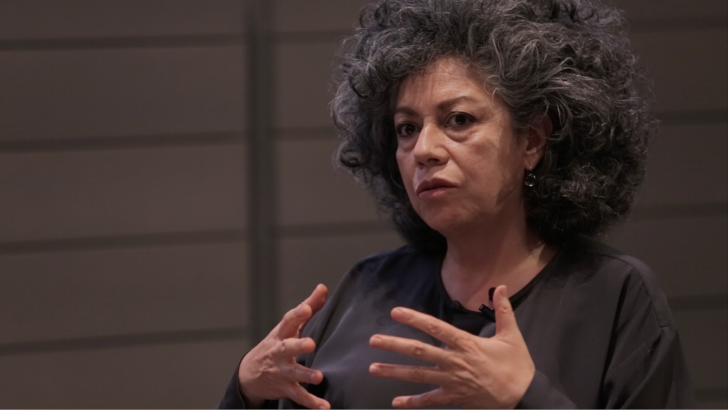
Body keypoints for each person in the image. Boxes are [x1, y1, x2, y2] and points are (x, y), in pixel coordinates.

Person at [220, 0, 696, 408]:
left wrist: (525, 396)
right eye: (407, 128)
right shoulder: (365, 288)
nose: (424, 149)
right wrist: (247, 390)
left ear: (531, 141)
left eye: (459, 119)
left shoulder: (616, 297)